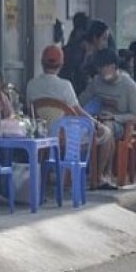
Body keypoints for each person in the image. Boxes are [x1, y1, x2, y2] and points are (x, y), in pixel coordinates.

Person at [26, 45, 117, 190]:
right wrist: (96, 124)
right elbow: (78, 111)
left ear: (42, 63)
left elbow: (29, 109)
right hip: (66, 137)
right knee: (106, 133)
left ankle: (58, 175)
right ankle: (97, 178)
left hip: (43, 135)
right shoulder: (65, 86)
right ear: (61, 64)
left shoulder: (31, 85)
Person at [80, 48, 136, 141]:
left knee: (105, 129)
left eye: (103, 69)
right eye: (99, 70)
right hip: (96, 120)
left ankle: (102, 155)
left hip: (120, 125)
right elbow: (81, 101)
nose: (100, 73)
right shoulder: (96, 81)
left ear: (113, 67)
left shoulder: (130, 87)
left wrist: (114, 118)